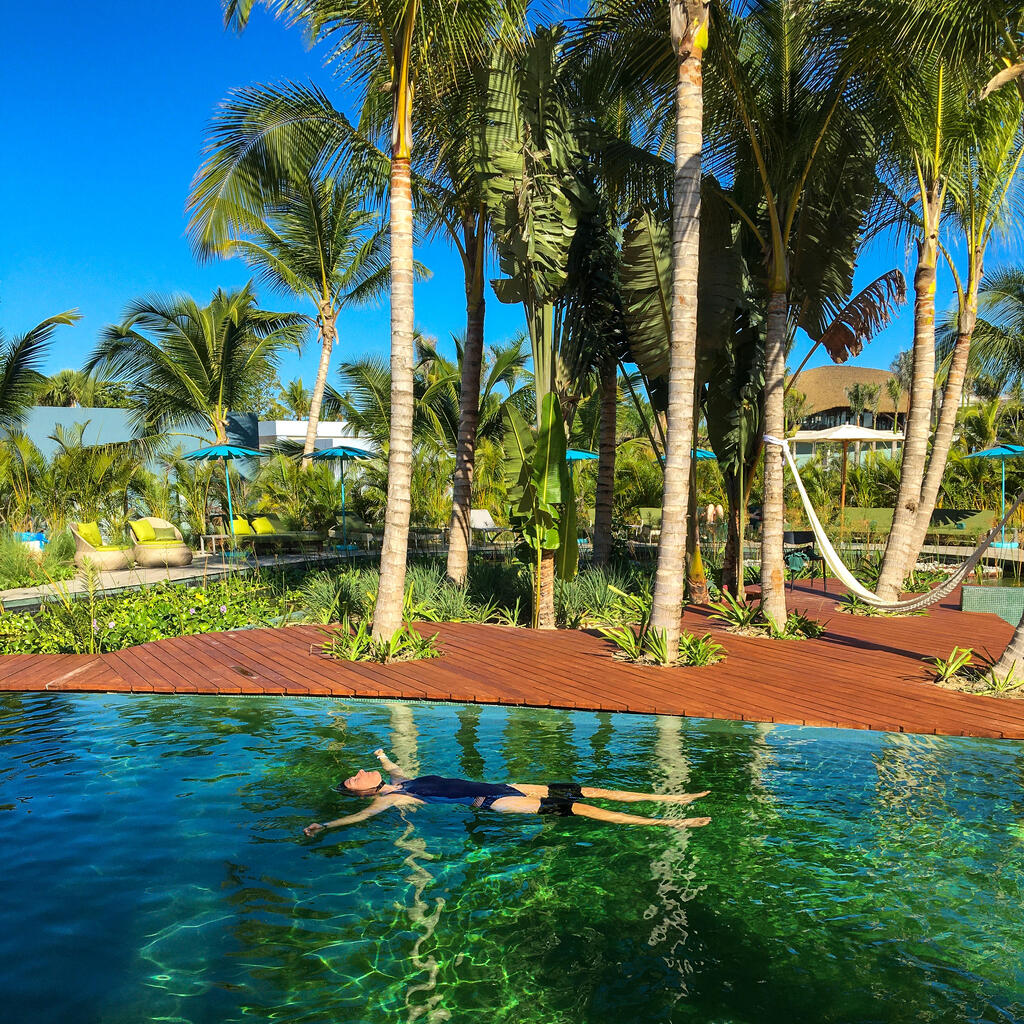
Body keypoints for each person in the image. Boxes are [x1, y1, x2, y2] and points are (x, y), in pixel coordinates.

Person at [303, 748, 710, 836]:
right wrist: (327, 823)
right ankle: (663, 822)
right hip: (495, 801)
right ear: (363, 792)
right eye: (353, 778)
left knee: (586, 788)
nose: (357, 772)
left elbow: (394, 769)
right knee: (574, 808)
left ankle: (671, 799)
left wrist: (383, 757)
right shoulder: (394, 798)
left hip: (503, 785)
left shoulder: (400, 782)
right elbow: (360, 817)